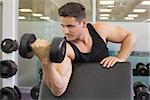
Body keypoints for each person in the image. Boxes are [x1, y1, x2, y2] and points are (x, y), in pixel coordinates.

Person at [31, 2, 136, 96]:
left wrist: (120, 58)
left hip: (107, 88)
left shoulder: (100, 30)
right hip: (83, 92)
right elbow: (58, 90)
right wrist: (45, 61)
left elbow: (130, 37)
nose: (65, 31)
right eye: (62, 26)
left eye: (70, 26)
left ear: (83, 23)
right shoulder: (66, 49)